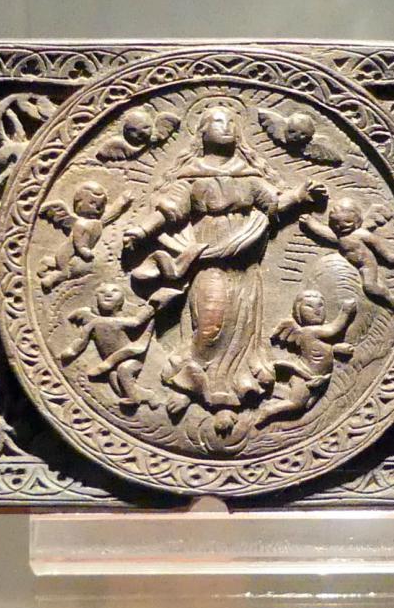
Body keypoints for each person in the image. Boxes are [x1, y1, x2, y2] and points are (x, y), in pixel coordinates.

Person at [122, 101, 324, 416]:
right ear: (202, 133)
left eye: (231, 122)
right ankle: (188, 381)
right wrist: (141, 230)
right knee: (210, 325)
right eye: (218, 122)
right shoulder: (191, 177)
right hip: (208, 259)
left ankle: (230, 389)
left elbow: (272, 204)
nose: (226, 127)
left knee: (240, 329)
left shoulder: (248, 174)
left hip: (244, 263)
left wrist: (298, 197)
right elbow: (168, 211)